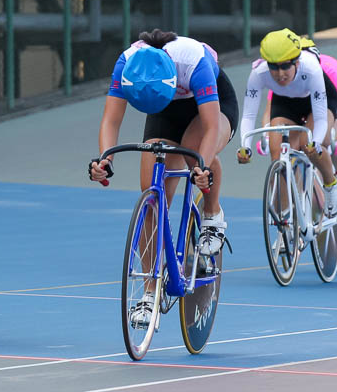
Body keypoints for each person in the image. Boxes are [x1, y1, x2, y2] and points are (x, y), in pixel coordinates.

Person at [88, 28, 238, 325]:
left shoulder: (194, 61)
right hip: (162, 108)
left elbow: (210, 128)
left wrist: (201, 168)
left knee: (195, 150)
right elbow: (111, 119)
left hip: (208, 106)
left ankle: (212, 213)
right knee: (152, 198)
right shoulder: (127, 64)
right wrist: (105, 158)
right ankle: (149, 293)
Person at [237, 28, 337, 217]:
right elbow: (248, 115)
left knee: (308, 145)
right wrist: (245, 146)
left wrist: (315, 143)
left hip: (315, 103)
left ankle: (331, 183)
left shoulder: (311, 69)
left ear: (297, 61)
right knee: (277, 155)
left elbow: (319, 118)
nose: (279, 74)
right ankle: (283, 220)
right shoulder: (259, 73)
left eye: (285, 66)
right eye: (274, 67)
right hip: (285, 103)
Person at [256, 37, 337, 202]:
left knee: (325, 143)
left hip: (330, 98)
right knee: (292, 145)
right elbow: (270, 111)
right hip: (298, 103)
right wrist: (267, 136)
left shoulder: (326, 73)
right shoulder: (285, 75)